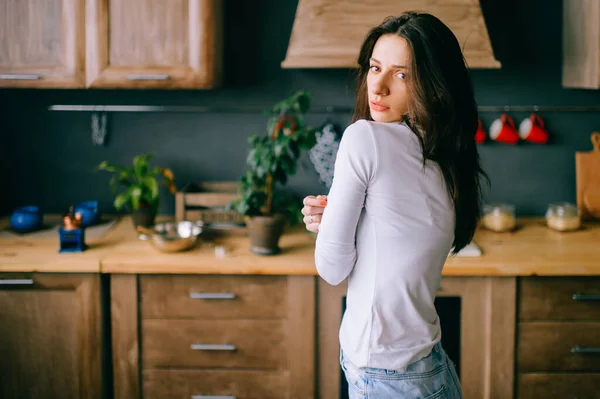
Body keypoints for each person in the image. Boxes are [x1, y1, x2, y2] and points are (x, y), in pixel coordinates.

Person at [301, 12, 489, 399]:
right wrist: (342, 219)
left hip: (387, 379)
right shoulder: (441, 157)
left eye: (402, 75)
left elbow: (331, 269)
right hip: (429, 369)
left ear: (433, 87)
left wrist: (336, 223)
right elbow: (392, 238)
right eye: (375, 67)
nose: (379, 87)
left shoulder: (364, 139)